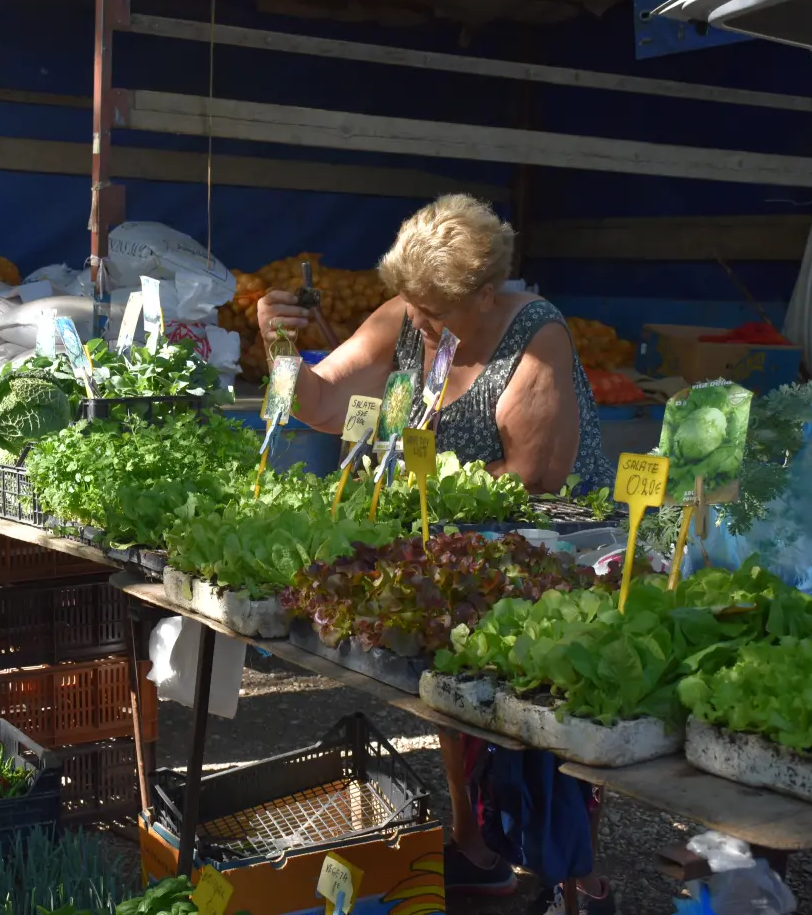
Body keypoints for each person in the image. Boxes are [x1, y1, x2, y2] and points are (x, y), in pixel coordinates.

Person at [256, 194, 615, 912]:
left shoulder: (536, 337)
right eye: (411, 303)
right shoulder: (407, 316)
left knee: (553, 716)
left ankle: (576, 874)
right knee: (446, 692)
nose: (418, 321)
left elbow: (535, 478)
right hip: (455, 540)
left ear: (486, 293)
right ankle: (476, 847)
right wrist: (278, 345)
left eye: (434, 309)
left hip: (551, 544)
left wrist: (425, 501)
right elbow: (318, 403)